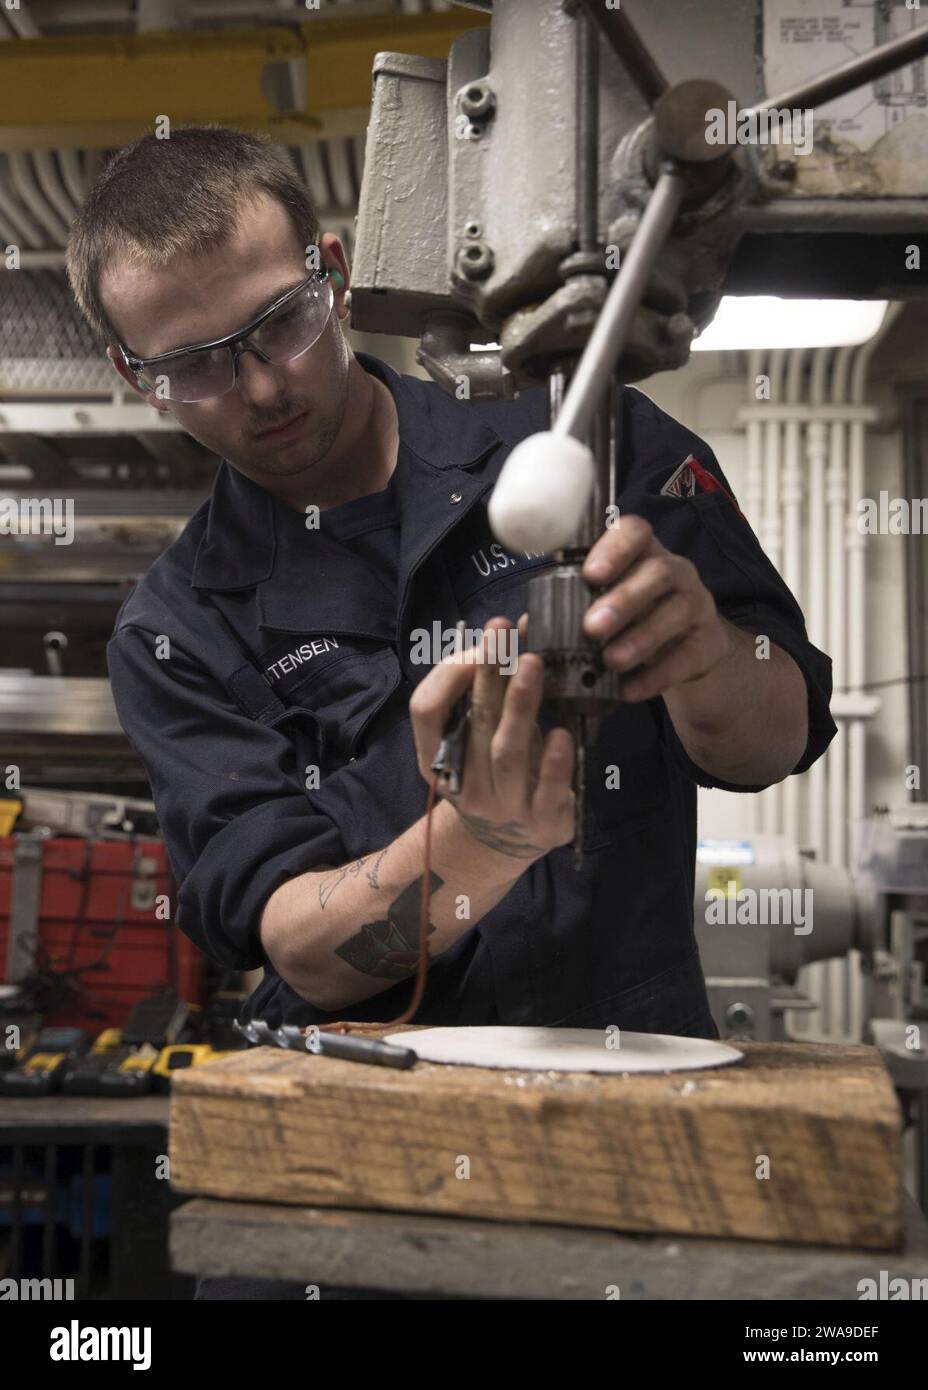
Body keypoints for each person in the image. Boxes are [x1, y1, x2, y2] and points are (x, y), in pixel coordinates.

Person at [66, 126, 835, 1298]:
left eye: (281, 322)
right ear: (135, 378)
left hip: (629, 1099)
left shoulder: (588, 445)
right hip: (355, 1142)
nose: (264, 386)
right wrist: (476, 847)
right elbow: (298, 948)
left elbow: (774, 737)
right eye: (200, 366)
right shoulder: (179, 624)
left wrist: (708, 656)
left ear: (330, 267)